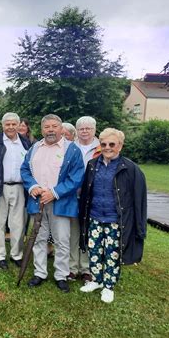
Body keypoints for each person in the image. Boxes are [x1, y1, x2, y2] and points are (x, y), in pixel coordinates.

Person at [79, 128, 147, 303]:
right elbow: (87, 193)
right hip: (94, 216)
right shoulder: (93, 165)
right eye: (103, 144)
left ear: (120, 146)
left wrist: (140, 227)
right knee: (94, 251)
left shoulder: (131, 169)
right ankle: (97, 280)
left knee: (112, 254)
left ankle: (109, 286)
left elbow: (139, 200)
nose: (107, 147)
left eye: (112, 144)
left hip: (116, 220)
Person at [21, 114, 85, 293]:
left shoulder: (72, 150)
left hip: (61, 202)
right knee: (39, 239)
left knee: (62, 240)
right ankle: (40, 273)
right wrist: (32, 186)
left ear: (61, 129)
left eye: (54, 126)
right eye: (46, 127)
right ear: (42, 130)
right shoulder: (35, 148)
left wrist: (55, 193)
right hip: (38, 202)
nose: (50, 130)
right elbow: (25, 169)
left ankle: (61, 275)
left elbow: (77, 177)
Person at [0, 112, 32, 268]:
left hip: (19, 188)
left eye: (13, 124)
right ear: (2, 125)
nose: (10, 127)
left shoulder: (25, 142)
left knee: (18, 224)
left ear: (18, 125)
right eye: (7, 124)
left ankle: (16, 255)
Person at [68, 116, 102, 283]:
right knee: (73, 232)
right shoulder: (70, 146)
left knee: (88, 232)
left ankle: (86, 268)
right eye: (81, 128)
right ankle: (72, 267)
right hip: (73, 195)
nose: (85, 131)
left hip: (93, 196)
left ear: (94, 130)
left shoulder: (101, 147)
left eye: (88, 128)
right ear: (77, 130)